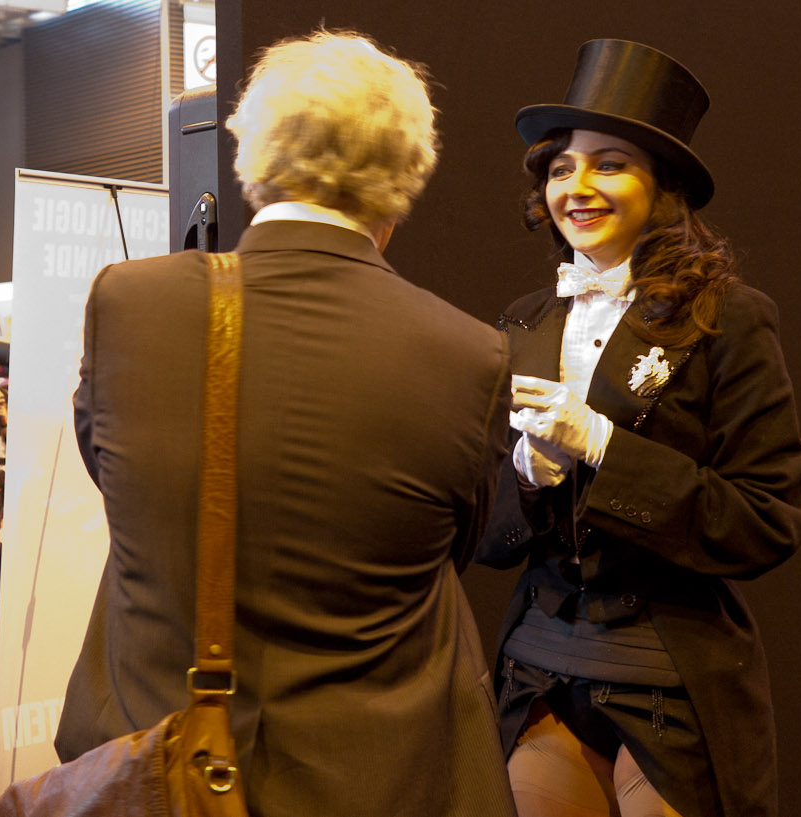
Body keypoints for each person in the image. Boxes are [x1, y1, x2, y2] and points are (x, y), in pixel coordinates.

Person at [51, 31, 516, 816]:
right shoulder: (467, 354)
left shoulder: (128, 305)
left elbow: (113, 478)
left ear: (249, 149)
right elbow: (454, 548)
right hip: (374, 784)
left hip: (158, 772)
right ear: (408, 172)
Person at [478, 40, 801, 817]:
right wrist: (529, 471)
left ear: (660, 188)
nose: (579, 186)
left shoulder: (727, 317)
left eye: (610, 163)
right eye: (562, 167)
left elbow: (772, 517)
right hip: (542, 665)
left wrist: (603, 447)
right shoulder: (523, 323)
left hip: (672, 674)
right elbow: (488, 537)